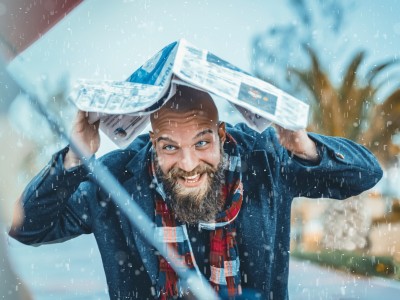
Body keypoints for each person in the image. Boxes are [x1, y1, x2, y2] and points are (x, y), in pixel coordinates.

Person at [9, 85, 383, 300]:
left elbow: (365, 174)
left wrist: (302, 146)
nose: (188, 164)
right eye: (170, 147)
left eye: (202, 142)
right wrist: (75, 156)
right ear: (153, 143)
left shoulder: (266, 161)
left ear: (221, 135)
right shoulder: (116, 182)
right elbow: (27, 227)